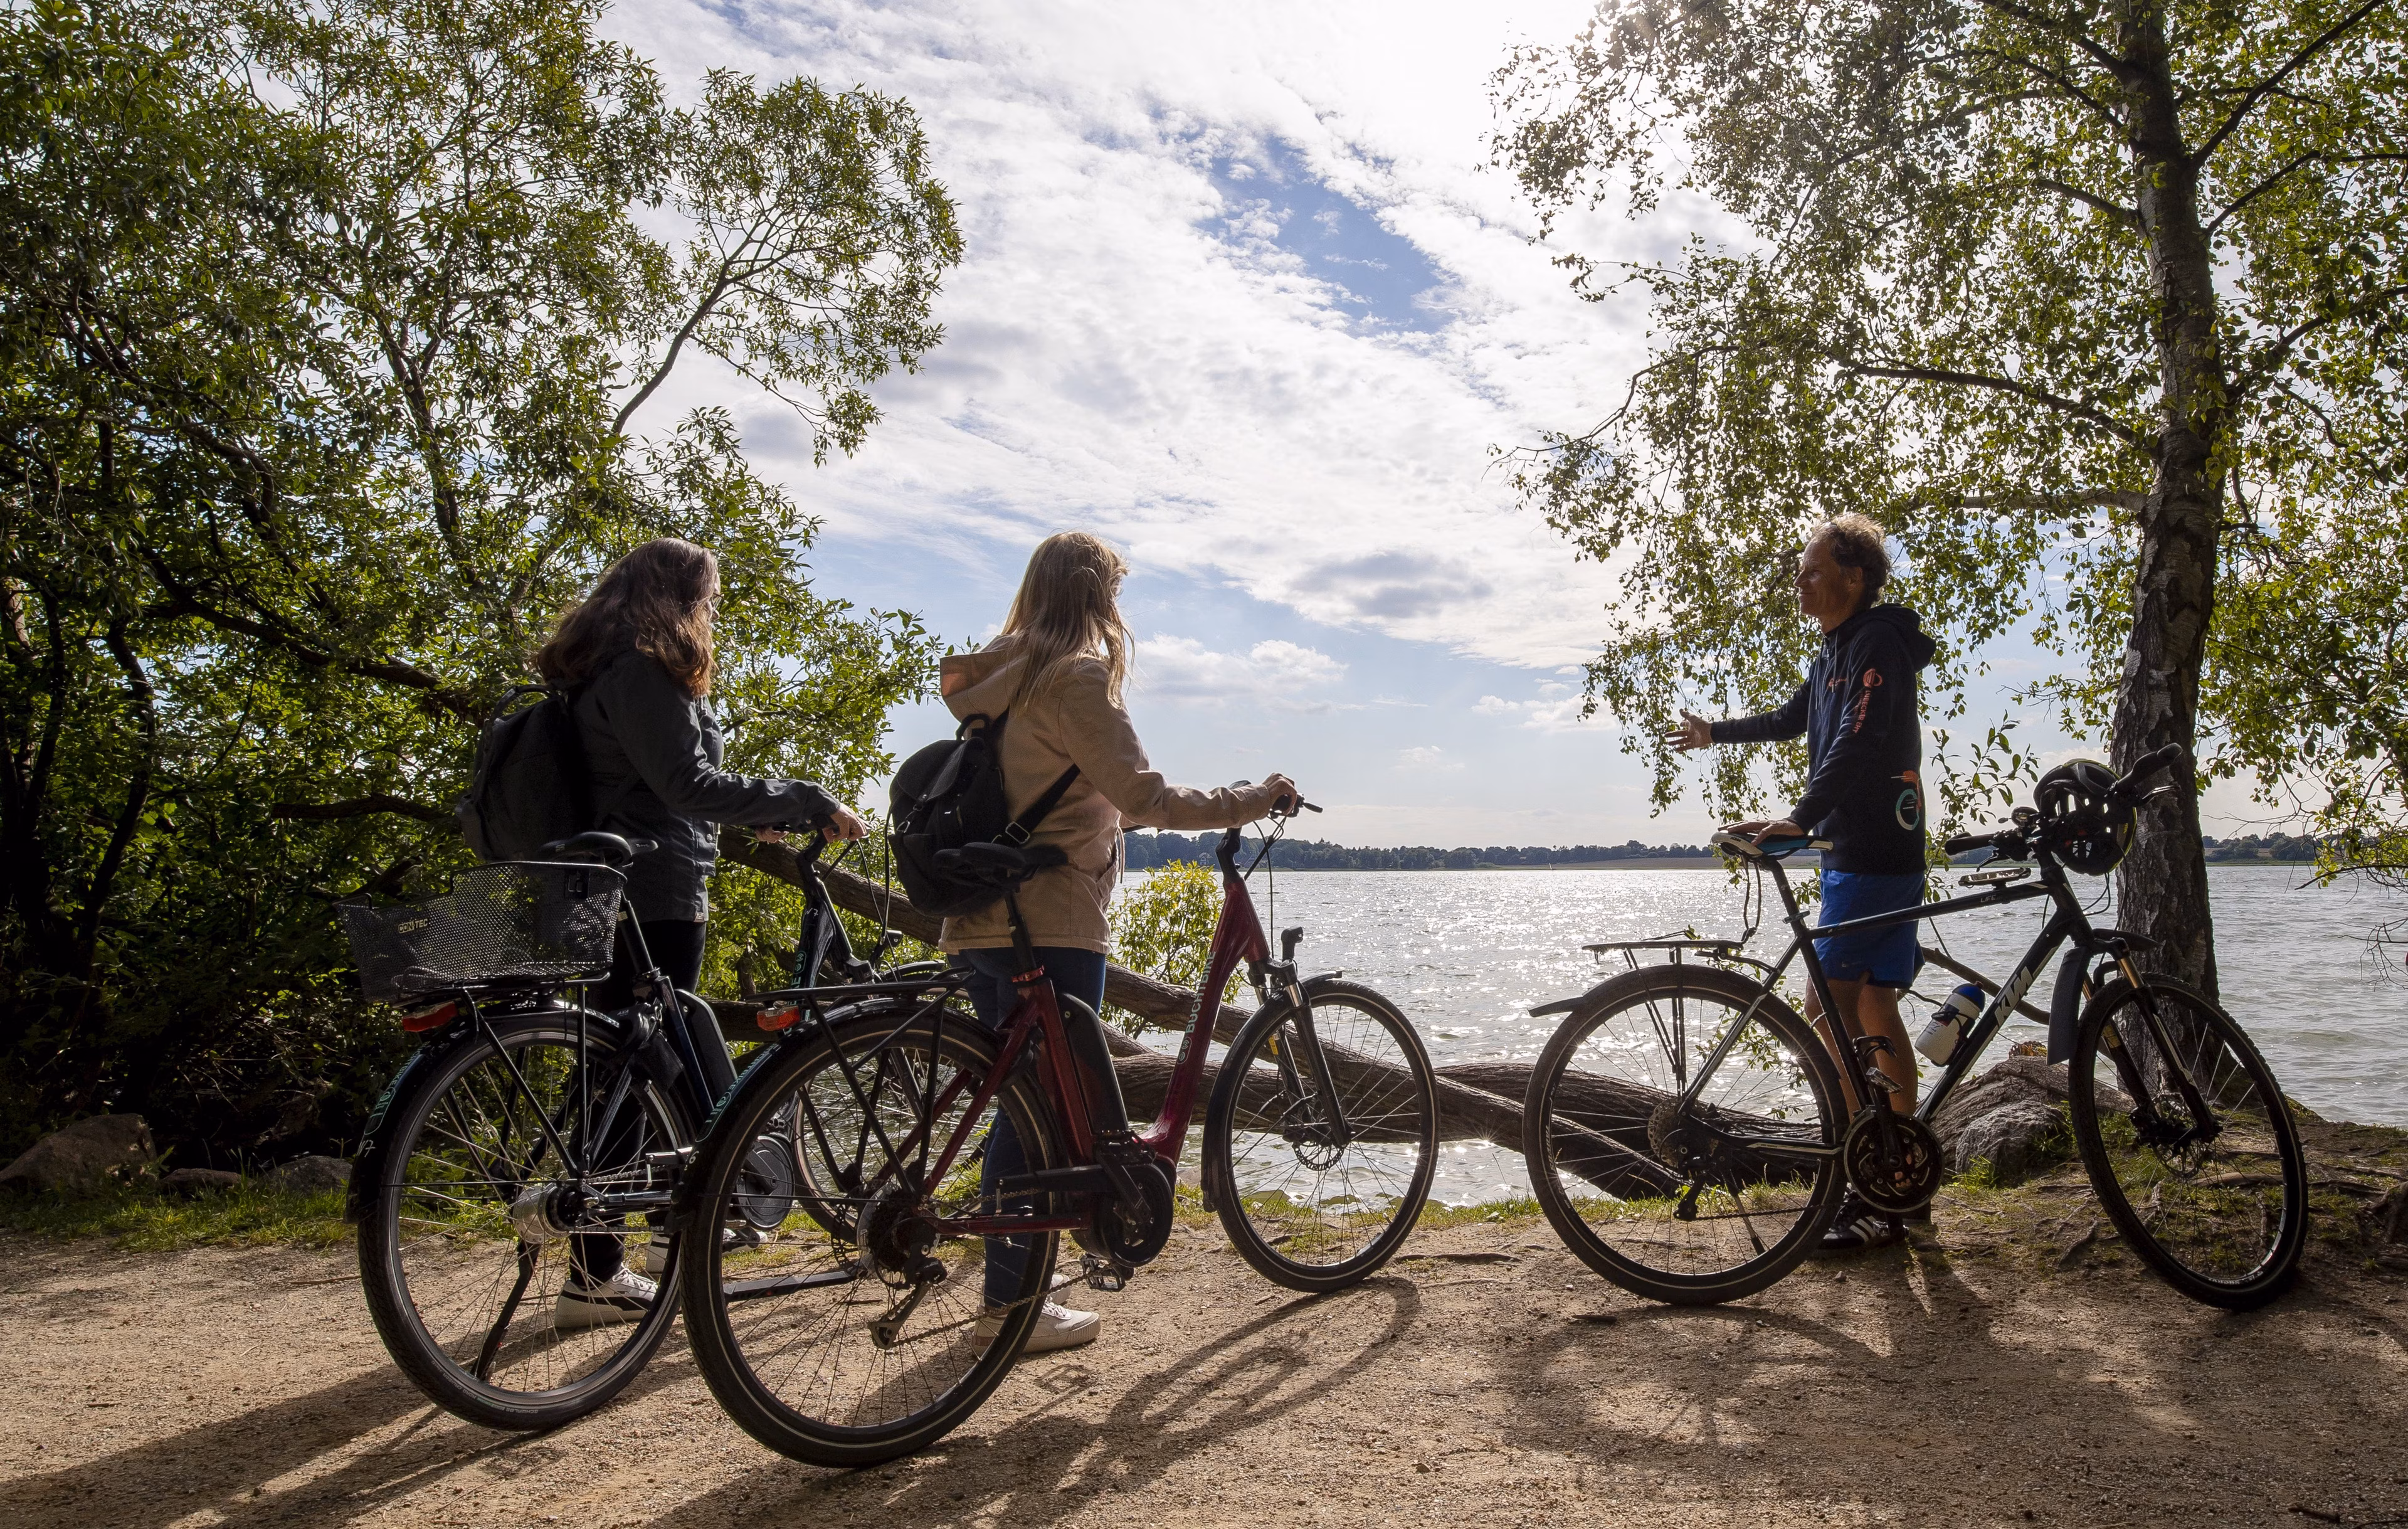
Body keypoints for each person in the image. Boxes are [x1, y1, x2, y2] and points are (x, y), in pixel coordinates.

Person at [939, 531, 1296, 1353]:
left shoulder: (991, 685)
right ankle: (1011, 1302)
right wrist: (1251, 797)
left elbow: (1085, 796)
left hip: (978, 920)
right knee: (1032, 1117)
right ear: (1096, 600)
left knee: (1019, 1109)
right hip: (1054, 918)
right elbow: (1147, 794)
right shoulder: (1073, 678)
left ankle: (1013, 1289)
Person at [532, 537, 868, 1326]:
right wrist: (805, 798)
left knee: (631, 1067)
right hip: (651, 895)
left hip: (608, 889)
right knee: (639, 1073)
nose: (712, 612)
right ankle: (598, 1268)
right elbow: (687, 783)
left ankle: (655, 1236)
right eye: (708, 599)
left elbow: (657, 782)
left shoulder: (598, 669)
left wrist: (759, 818)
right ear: (679, 598)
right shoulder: (643, 671)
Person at [1664, 512, 1936, 1252]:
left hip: (1873, 848)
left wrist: (1799, 817)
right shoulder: (1834, 651)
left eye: (1812, 570)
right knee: (1873, 1001)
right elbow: (1798, 718)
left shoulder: (1877, 641)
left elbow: (1860, 740)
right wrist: (1716, 732)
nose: (1800, 582)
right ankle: (1902, 1175)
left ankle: (1873, 1182)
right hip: (1863, 849)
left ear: (1855, 576)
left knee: (1825, 1005)